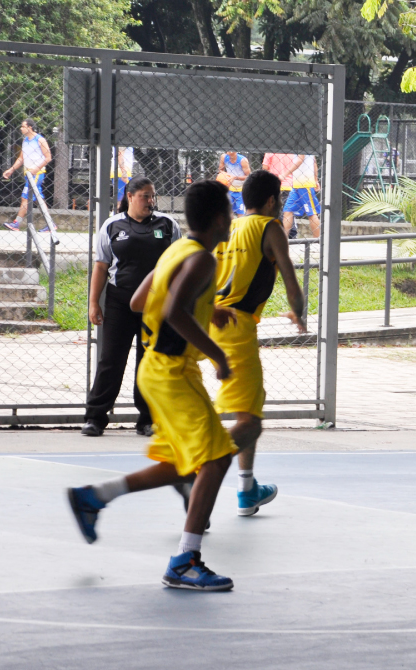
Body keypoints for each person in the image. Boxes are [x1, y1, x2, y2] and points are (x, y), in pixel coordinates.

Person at [66, 180, 239, 591]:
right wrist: (216, 354)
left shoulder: (176, 250)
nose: (232, 218)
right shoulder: (202, 260)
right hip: (173, 372)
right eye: (230, 212)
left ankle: (95, 496)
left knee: (182, 464)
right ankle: (185, 560)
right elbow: (173, 308)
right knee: (216, 459)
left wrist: (205, 305)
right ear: (219, 219)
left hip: (159, 371)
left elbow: (139, 300)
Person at [210, 170, 307, 516]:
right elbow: (292, 283)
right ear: (270, 201)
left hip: (216, 320)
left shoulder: (232, 227)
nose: (279, 205)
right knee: (250, 422)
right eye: (278, 199)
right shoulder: (270, 228)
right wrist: (300, 314)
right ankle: (196, 468)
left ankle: (247, 488)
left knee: (247, 410)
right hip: (237, 326)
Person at [82, 178, 182, 437]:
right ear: (130, 196)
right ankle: (95, 417)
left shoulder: (168, 225)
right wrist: (94, 303)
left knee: (148, 362)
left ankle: (147, 419)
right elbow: (101, 267)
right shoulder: (112, 226)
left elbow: (178, 266)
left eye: (152, 196)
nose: (150, 201)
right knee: (111, 360)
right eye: (145, 196)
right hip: (119, 302)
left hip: (156, 304)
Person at [1, 118, 52, 232]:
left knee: (25, 198)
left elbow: (48, 157)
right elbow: (21, 158)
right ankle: (51, 224)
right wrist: (11, 169)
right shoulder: (25, 141)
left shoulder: (40, 140)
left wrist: (36, 168)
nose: (21, 128)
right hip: (28, 173)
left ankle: (16, 223)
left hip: (37, 174)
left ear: (30, 127)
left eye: (23, 126)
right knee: (38, 199)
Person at [282, 153, 321, 239]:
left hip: (305, 184)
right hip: (296, 185)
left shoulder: (302, 143)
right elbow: (314, 162)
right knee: (287, 211)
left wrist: (284, 175)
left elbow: (300, 160)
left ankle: (317, 242)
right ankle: (283, 241)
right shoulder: (307, 145)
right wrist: (315, 180)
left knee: (311, 213)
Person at [262, 152, 299, 234]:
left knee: (274, 209)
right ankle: (292, 233)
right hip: (289, 185)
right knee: (288, 211)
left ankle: (276, 232)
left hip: (274, 185)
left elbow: (265, 168)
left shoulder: (270, 151)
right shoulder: (291, 152)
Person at [219, 151, 250, 216]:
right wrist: (225, 177)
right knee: (227, 212)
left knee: (241, 214)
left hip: (241, 190)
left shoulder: (242, 160)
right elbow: (220, 170)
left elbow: (248, 176)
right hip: (229, 189)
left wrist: (235, 177)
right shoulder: (224, 157)